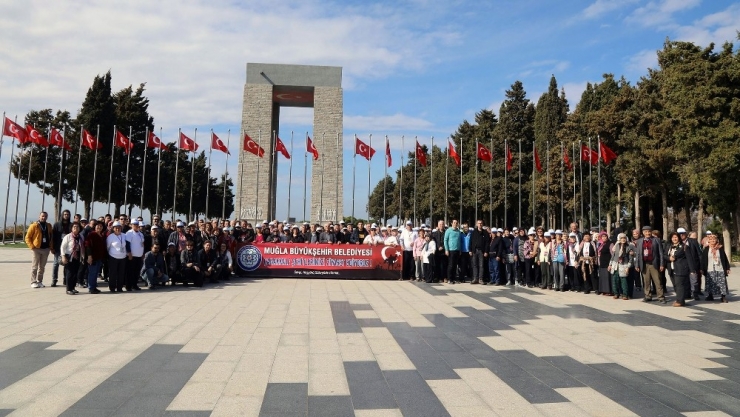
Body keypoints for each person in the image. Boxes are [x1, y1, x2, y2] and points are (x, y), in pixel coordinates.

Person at [635, 226, 666, 303]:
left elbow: (661, 253)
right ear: (643, 233)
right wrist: (637, 265)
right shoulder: (639, 241)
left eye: (649, 231)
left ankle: (661, 297)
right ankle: (648, 296)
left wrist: (662, 264)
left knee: (658, 281)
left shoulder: (656, 240)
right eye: (646, 232)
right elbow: (638, 254)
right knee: (646, 281)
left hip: (653, 264)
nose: (647, 233)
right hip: (644, 264)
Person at [25, 211, 54, 288]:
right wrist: (32, 247)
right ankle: (33, 281)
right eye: (42, 216)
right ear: (39, 217)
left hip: (45, 249)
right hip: (36, 249)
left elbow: (51, 236)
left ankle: (39, 281)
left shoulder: (49, 225)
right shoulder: (34, 226)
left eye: (45, 216)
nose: (43, 217)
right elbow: (27, 237)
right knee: (34, 266)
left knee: (42, 267)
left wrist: (50, 247)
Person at [701, 234, 730, 303]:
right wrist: (702, 268)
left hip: (719, 268)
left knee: (721, 283)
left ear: (717, 240)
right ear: (709, 241)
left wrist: (727, 268)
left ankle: (723, 296)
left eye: (714, 239)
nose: (713, 241)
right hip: (710, 268)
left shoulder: (720, 248)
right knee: (710, 282)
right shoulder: (706, 249)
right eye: (711, 239)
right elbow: (703, 260)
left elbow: (725, 259)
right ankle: (710, 295)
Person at [664, 232, 690, 306]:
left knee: (679, 285)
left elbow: (687, 257)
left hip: (680, 268)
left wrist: (691, 270)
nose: (674, 239)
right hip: (671, 268)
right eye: (673, 237)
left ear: (679, 238)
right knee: (675, 285)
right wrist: (669, 258)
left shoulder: (683, 246)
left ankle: (680, 301)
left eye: (676, 237)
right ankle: (680, 299)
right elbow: (664, 255)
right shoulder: (669, 246)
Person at [60, 222, 85, 295]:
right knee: (69, 273)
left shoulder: (81, 236)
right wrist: (63, 256)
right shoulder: (68, 236)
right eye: (74, 227)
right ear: (71, 228)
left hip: (77, 257)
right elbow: (62, 247)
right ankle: (68, 289)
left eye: (77, 227)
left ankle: (73, 287)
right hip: (69, 257)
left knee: (75, 273)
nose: (76, 228)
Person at [608, 233, 635, 300]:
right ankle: (616, 293)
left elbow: (630, 259)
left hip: (624, 265)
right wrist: (610, 265)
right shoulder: (616, 246)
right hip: (615, 265)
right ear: (619, 239)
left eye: (624, 238)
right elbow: (613, 256)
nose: (623, 239)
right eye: (621, 238)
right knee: (615, 280)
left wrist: (628, 267)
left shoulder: (629, 246)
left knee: (624, 281)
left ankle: (625, 294)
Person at [84, 221, 107, 294]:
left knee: (96, 273)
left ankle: (94, 287)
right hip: (93, 257)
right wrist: (89, 256)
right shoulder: (92, 234)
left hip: (99, 258)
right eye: (97, 226)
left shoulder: (102, 235)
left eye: (101, 226)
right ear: (95, 227)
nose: (99, 227)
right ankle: (91, 287)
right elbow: (88, 245)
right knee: (92, 273)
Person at [51, 209, 72, 287]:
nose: (66, 216)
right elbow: (53, 237)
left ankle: (65, 279)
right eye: (65, 214)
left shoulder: (71, 225)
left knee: (66, 264)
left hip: (68, 248)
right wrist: (52, 247)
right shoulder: (57, 225)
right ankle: (54, 280)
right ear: (62, 215)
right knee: (56, 264)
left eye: (67, 214)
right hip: (57, 247)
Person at [106, 221, 127, 293]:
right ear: (113, 229)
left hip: (123, 257)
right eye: (116, 228)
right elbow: (108, 247)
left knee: (121, 273)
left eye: (119, 228)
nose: (117, 229)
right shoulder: (110, 237)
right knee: (113, 273)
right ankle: (112, 287)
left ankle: (119, 287)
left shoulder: (124, 235)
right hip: (113, 257)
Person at [124, 220, 145, 291]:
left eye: (137, 224)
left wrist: (142, 254)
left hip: (139, 255)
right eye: (134, 224)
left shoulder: (140, 234)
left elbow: (142, 244)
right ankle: (128, 286)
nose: (136, 226)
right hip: (132, 256)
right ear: (131, 225)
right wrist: (129, 253)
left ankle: (134, 285)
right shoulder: (129, 233)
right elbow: (127, 244)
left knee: (136, 271)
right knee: (130, 272)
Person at [470, 220, 489, 285]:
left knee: (481, 265)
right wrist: (470, 250)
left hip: (481, 251)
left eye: (481, 223)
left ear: (482, 224)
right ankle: (475, 278)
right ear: (476, 224)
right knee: (474, 265)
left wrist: (486, 251)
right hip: (474, 251)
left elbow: (487, 243)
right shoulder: (473, 232)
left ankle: (481, 279)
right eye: (479, 223)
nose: (480, 224)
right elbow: (471, 241)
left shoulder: (485, 233)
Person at [444, 220, 462, 285]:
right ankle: (449, 279)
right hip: (451, 250)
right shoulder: (448, 231)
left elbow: (459, 241)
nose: (455, 224)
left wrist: (460, 250)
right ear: (451, 223)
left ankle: (454, 278)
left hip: (457, 250)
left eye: (456, 223)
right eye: (454, 223)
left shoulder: (458, 231)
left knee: (455, 265)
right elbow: (445, 240)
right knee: (450, 265)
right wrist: (446, 249)